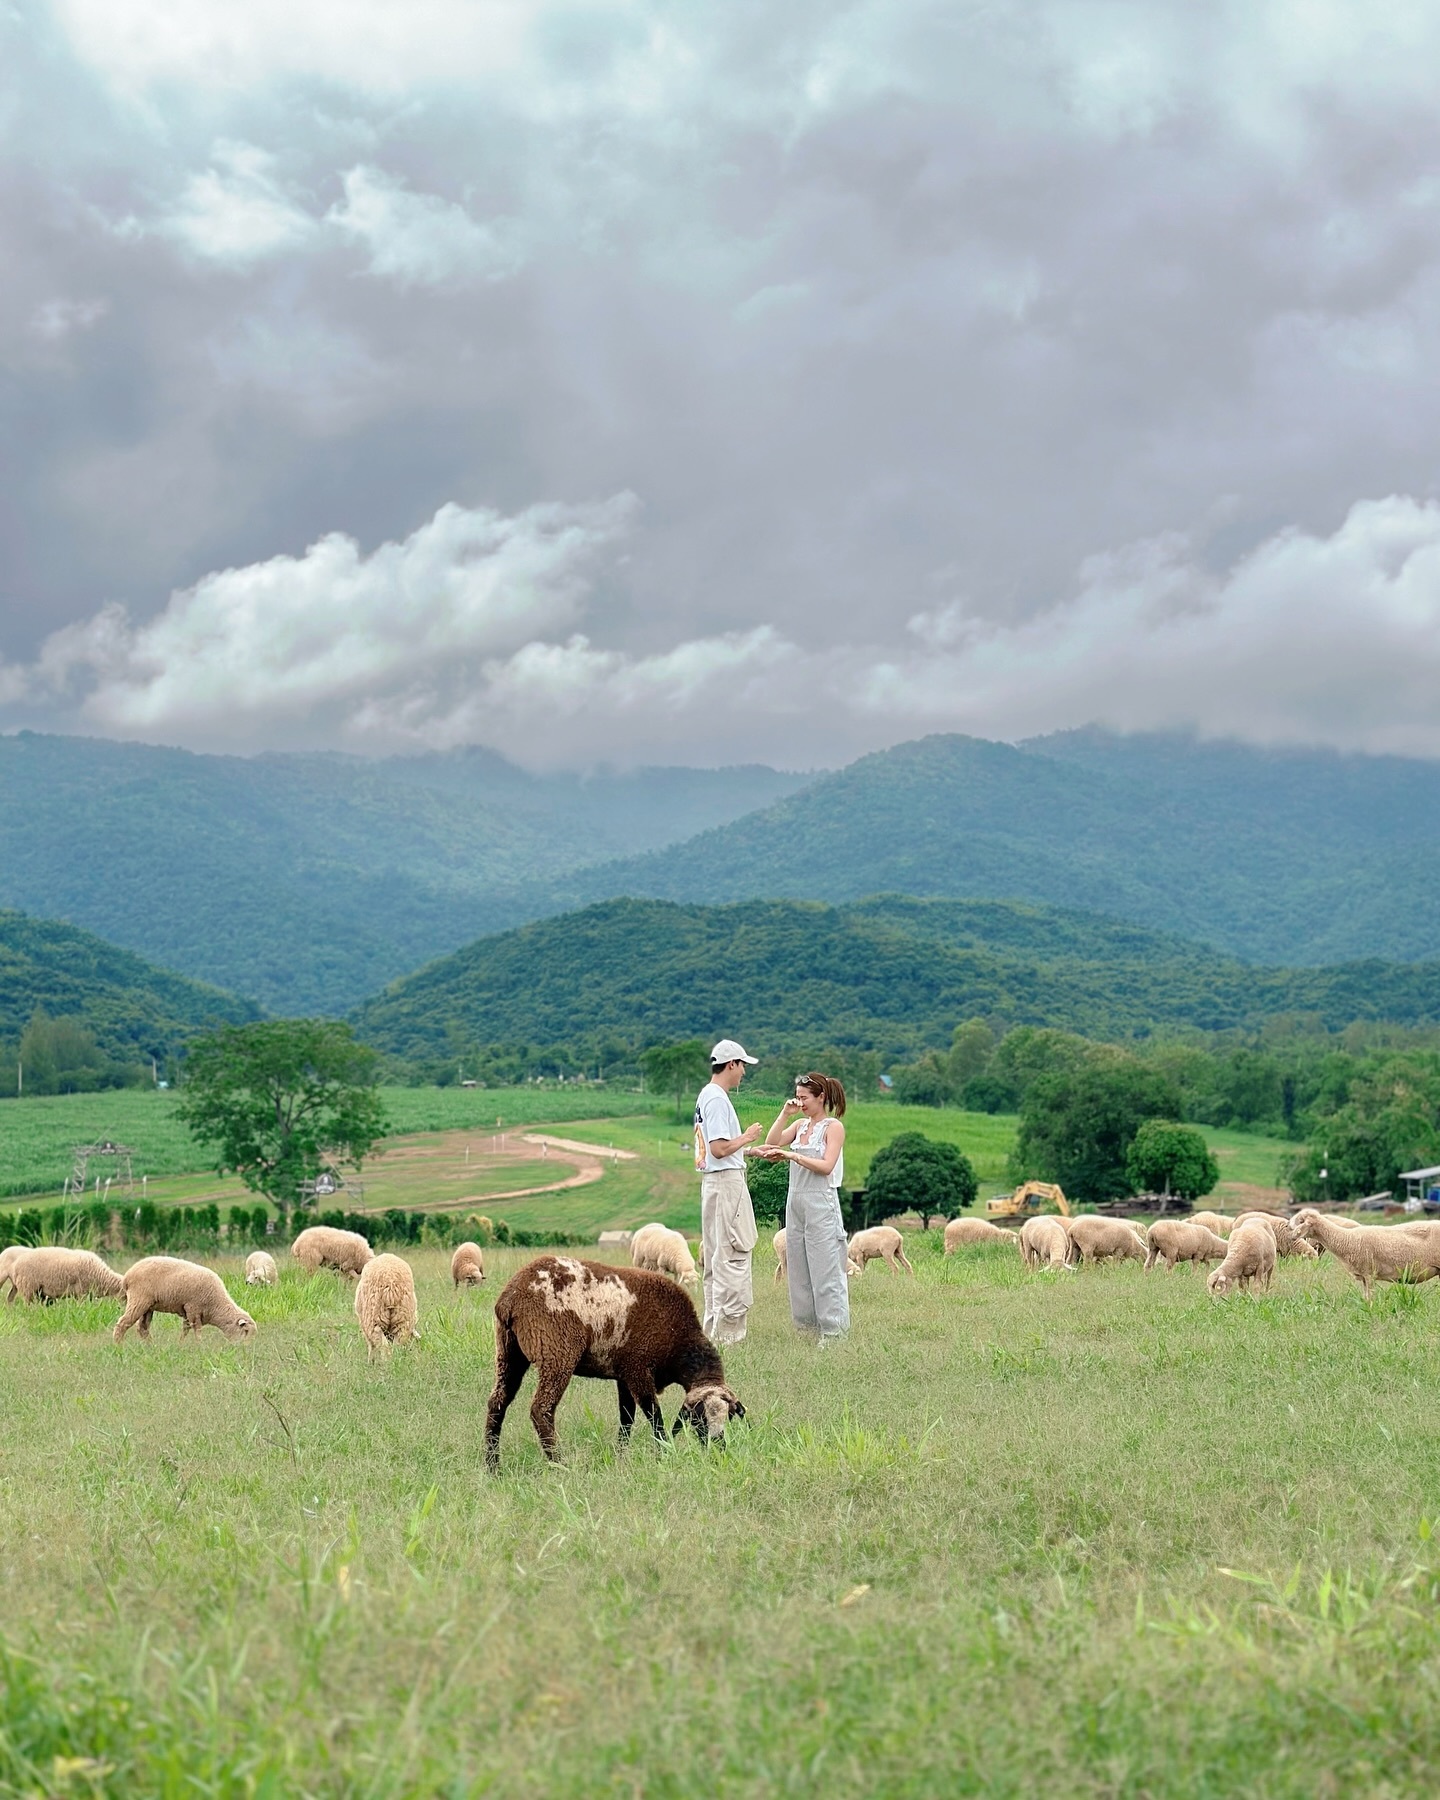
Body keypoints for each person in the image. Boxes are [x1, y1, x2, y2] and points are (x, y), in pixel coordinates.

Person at [761, 1072, 849, 1345]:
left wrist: (792, 1155)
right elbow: (773, 1140)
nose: (800, 1103)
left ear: (821, 1097)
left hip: (821, 1202)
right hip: (795, 1201)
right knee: (798, 1268)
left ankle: (833, 1333)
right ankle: (806, 1330)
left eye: (804, 1098)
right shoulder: (799, 1125)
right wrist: (785, 1114)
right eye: (797, 1098)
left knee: (826, 1269)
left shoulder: (832, 1127)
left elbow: (826, 1166)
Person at [694, 1039, 762, 1345]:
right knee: (733, 1253)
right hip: (726, 1184)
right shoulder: (718, 1099)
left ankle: (713, 1330)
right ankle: (728, 1335)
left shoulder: (705, 1096)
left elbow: (716, 1150)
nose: (744, 1073)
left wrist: (749, 1151)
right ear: (731, 1064)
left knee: (716, 1256)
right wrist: (746, 1137)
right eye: (743, 1065)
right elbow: (719, 1148)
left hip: (713, 1185)